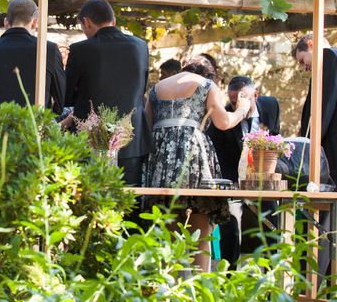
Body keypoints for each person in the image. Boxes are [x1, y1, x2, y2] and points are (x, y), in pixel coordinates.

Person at [143, 56, 251, 271]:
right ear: (209, 74)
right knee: (200, 231)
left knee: (168, 228)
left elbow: (147, 124)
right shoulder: (207, 85)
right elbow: (223, 122)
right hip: (192, 156)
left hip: (160, 157)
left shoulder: (156, 88)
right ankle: (198, 287)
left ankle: (168, 288)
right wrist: (241, 109)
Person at [65, 0, 151, 185]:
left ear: (86, 22)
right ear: (113, 20)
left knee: (90, 197)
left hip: (90, 138)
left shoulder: (80, 49)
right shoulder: (140, 46)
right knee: (129, 200)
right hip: (131, 140)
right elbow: (140, 88)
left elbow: (67, 95)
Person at [206, 76, 280, 267]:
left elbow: (276, 137)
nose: (238, 104)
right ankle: (229, 273)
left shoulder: (271, 106)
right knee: (230, 227)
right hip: (233, 181)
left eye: (243, 99)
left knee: (271, 224)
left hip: (262, 180)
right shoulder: (224, 117)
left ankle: (269, 275)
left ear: (255, 95)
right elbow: (217, 156)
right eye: (232, 101)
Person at [0, 0, 65, 112]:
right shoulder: (49, 49)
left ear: (6, 22)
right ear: (35, 22)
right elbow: (60, 100)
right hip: (35, 125)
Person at [293, 34, 337, 181]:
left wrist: (311, 142)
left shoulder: (329, 56)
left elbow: (326, 104)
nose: (305, 67)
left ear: (311, 44)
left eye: (302, 60)